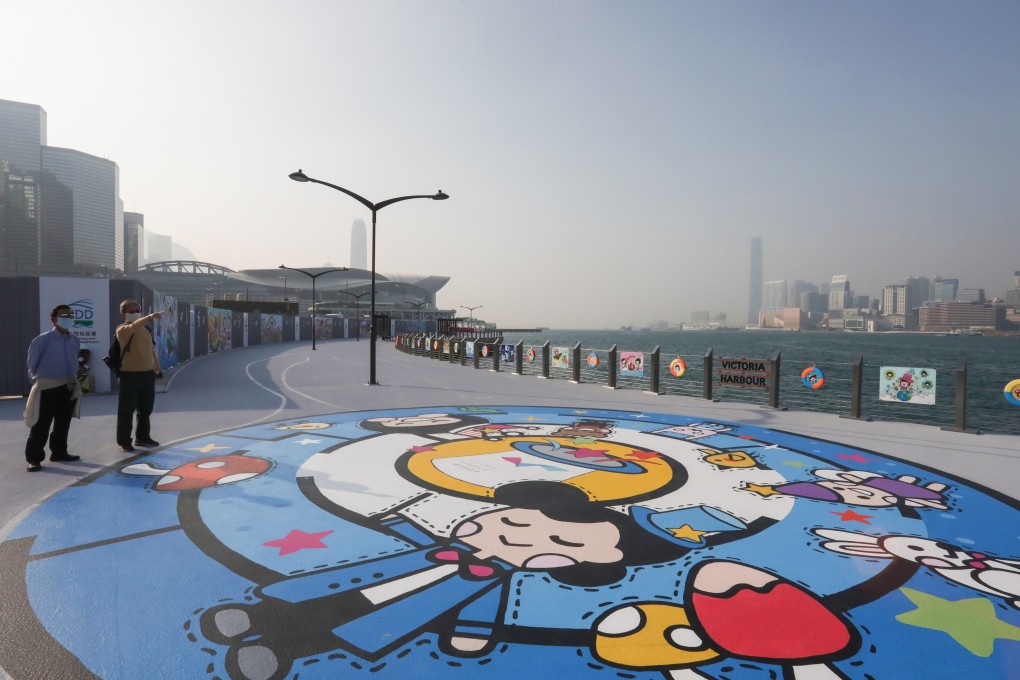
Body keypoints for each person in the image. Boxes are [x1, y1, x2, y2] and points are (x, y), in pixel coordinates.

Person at [25, 304, 82, 471]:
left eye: (71, 316)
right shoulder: (42, 340)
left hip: (68, 386)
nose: (68, 318)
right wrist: (39, 385)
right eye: (64, 316)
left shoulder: (74, 340)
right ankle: (34, 458)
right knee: (41, 424)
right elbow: (31, 366)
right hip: (47, 387)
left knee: (62, 423)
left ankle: (59, 452)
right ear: (54, 319)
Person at [116, 300, 163, 452]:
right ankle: (124, 440)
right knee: (126, 411)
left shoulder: (145, 329)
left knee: (145, 410)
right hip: (129, 376)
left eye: (137, 310)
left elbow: (151, 350)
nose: (135, 313)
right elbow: (134, 326)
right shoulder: (123, 330)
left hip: (147, 376)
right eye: (131, 311)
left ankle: (142, 437)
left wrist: (157, 368)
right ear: (123, 314)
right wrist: (149, 317)